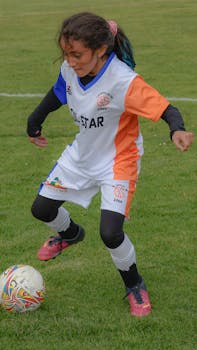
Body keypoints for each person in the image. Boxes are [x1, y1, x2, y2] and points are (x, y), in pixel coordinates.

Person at [27, 12, 194, 317]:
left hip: (119, 160)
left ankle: (134, 285)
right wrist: (34, 121)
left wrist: (177, 129)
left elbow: (165, 107)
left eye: (77, 54)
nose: (71, 61)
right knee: (41, 209)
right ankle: (70, 234)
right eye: (66, 53)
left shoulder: (122, 81)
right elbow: (58, 93)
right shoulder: (70, 69)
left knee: (111, 233)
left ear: (101, 50)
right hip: (81, 156)